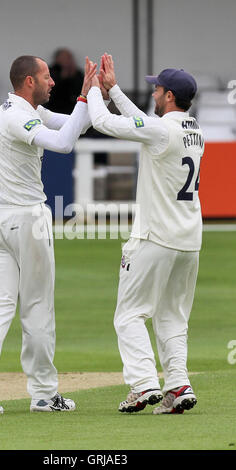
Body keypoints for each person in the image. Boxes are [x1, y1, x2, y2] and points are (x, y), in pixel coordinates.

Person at [0, 55, 97, 414]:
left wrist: (89, 96)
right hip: (26, 219)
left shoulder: (15, 108)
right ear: (29, 82)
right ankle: (44, 394)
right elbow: (65, 145)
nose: (53, 82)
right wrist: (85, 100)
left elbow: (71, 126)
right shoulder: (18, 116)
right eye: (47, 76)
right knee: (37, 307)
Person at [87, 54, 204, 414]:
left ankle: (142, 385)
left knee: (129, 315)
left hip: (155, 237)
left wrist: (94, 91)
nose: (153, 91)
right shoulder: (193, 129)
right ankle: (178, 385)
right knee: (172, 316)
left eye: (156, 88)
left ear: (168, 96)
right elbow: (144, 122)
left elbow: (102, 121)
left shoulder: (161, 131)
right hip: (189, 241)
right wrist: (115, 89)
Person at [47, 48, 84, 114]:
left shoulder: (77, 72)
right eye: (64, 57)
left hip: (71, 109)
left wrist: (73, 76)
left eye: (69, 57)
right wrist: (62, 77)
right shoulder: (50, 71)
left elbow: (81, 90)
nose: (67, 60)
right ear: (57, 58)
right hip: (53, 107)